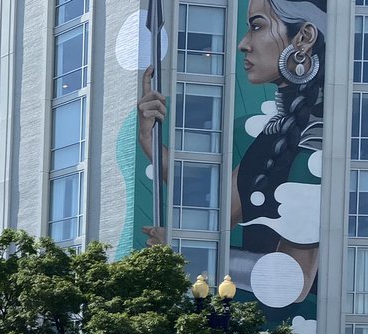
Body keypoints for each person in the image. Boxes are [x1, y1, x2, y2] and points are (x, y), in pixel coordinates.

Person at [138, 0, 325, 308]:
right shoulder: (276, 134)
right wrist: (149, 139)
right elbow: (215, 211)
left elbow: (292, 280)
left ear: (303, 37)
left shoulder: (315, 147)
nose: (243, 44)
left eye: (256, 26)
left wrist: (186, 252)